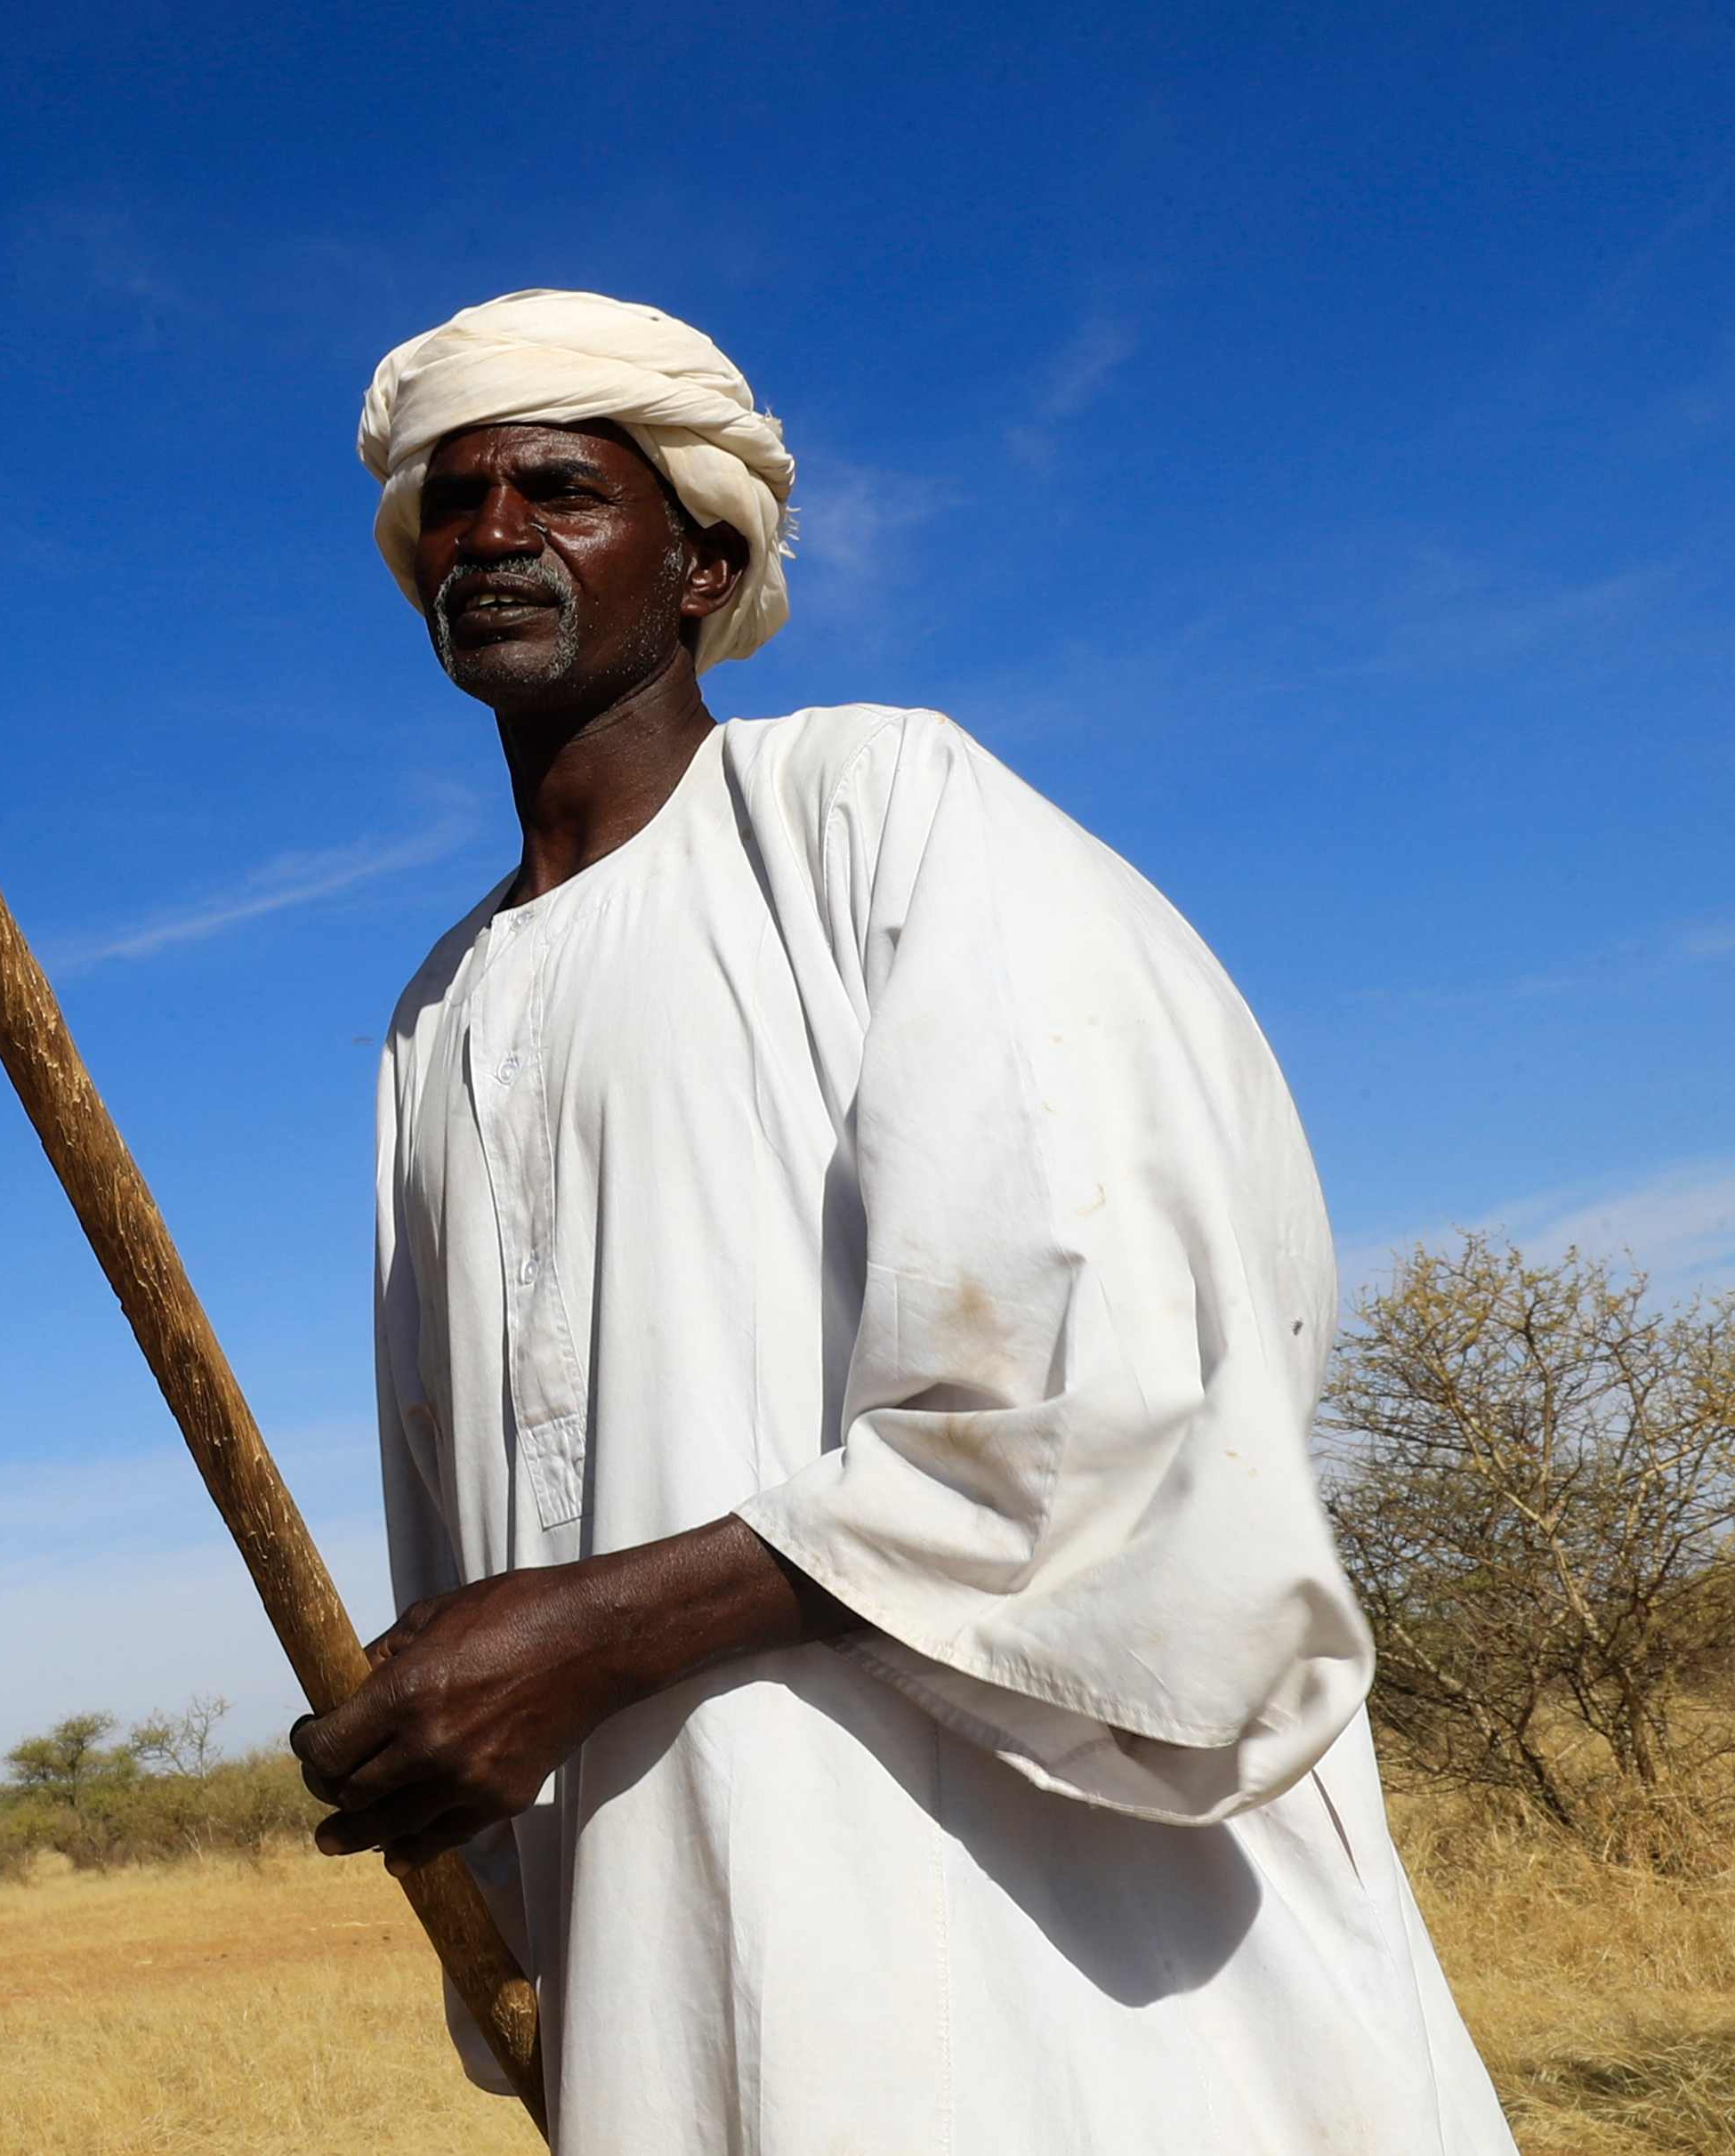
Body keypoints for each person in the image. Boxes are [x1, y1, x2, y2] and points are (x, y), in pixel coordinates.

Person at [294, 288, 1513, 2153]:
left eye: (560, 487)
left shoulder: (876, 811)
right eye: (451, 504)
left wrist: (592, 1632)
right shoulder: (437, 1011)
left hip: (1032, 1892)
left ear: (702, 559)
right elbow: (469, 1486)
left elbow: (1103, 1382)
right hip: (668, 1899)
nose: (493, 534)